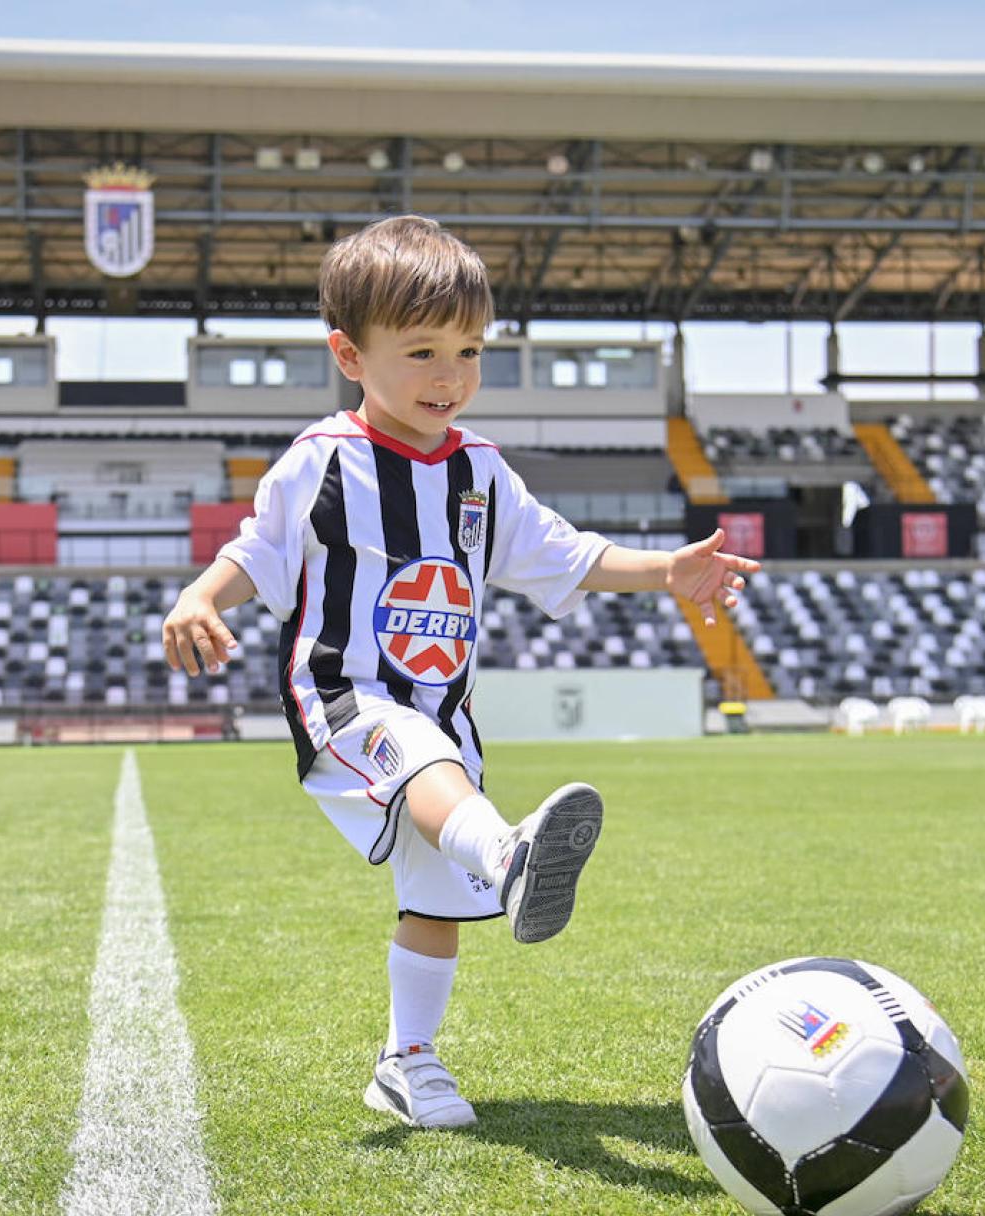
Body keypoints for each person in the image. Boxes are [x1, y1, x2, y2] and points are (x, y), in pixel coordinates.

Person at [162, 214, 760, 1129]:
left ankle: (408, 1061)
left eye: (470, 352)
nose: (451, 377)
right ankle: (509, 851)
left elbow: (568, 554)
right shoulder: (321, 461)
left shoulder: (481, 471)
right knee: (429, 777)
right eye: (424, 352)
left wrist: (665, 571)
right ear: (350, 355)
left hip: (444, 714)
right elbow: (260, 552)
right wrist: (203, 593)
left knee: (434, 901)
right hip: (345, 694)